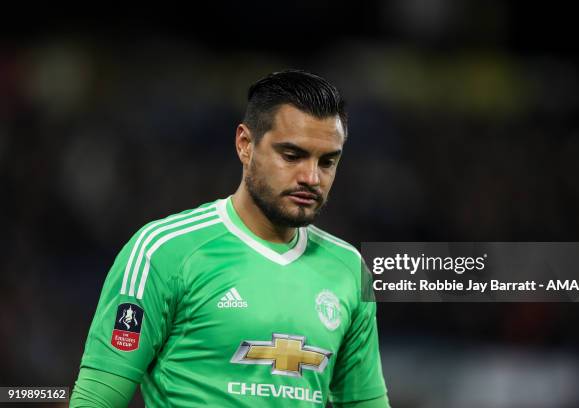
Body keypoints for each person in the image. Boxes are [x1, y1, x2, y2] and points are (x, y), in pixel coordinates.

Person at [70, 70, 389, 407]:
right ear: (245, 145)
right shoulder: (163, 252)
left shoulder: (349, 269)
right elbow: (96, 400)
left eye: (327, 161)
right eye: (292, 156)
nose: (311, 177)